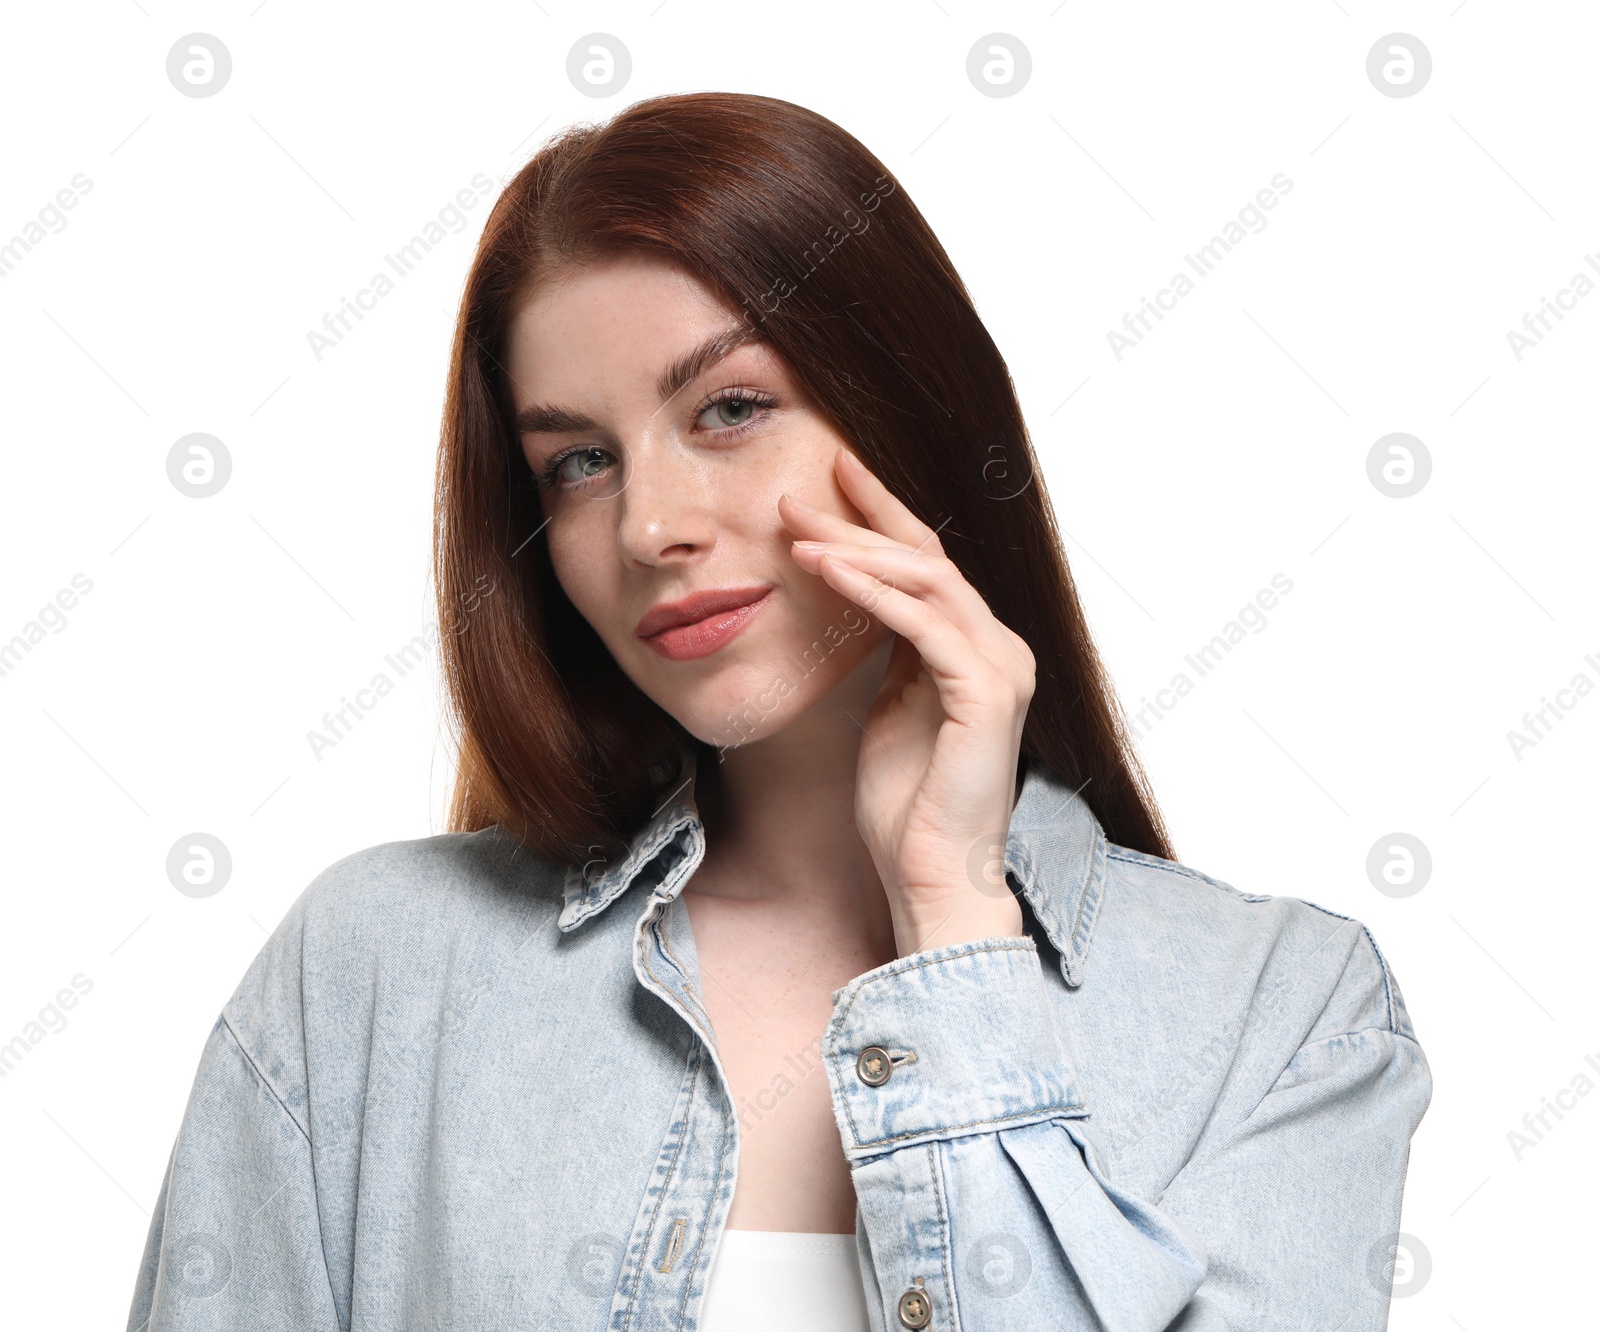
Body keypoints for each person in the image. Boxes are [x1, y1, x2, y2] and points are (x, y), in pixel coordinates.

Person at [128, 92, 1431, 1331]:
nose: (648, 527)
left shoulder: (1284, 1017)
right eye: (578, 462)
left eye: (732, 408)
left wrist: (955, 924)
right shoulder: (374, 971)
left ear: (910, 417)